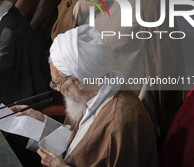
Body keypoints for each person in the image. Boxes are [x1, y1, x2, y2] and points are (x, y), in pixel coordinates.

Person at [51, 0, 185, 145]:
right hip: (85, 97)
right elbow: (60, 37)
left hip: (124, 111)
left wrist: (143, 119)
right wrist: (81, 8)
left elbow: (163, 69)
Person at [13, 25, 158, 166]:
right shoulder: (98, 93)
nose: (57, 89)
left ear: (78, 82)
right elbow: (81, 143)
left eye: (57, 83)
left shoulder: (118, 122)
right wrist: (41, 122)